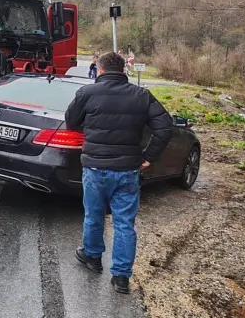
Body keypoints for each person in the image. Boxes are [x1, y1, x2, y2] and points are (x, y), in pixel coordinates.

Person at [64, 52, 172, 294]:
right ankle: (121, 278)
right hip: (127, 170)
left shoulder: (87, 93)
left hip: (95, 167)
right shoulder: (141, 95)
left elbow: (71, 121)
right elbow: (165, 128)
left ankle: (92, 257)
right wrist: (148, 157)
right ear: (123, 70)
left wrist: (91, 129)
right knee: (125, 223)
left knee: (94, 216)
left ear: (99, 70)